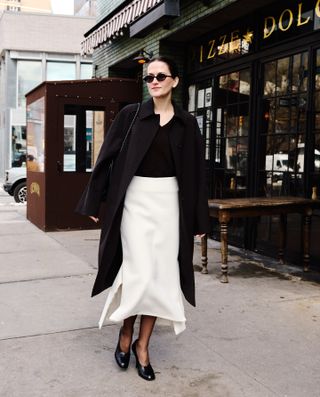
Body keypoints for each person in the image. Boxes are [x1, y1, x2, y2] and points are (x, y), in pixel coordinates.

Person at [76, 56, 210, 381]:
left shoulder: (187, 123)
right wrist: (95, 200)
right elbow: (106, 157)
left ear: (175, 81)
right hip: (135, 202)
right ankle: (125, 333)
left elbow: (195, 175)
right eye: (149, 77)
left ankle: (142, 345)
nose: (154, 81)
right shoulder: (130, 115)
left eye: (161, 76)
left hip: (169, 206)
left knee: (160, 277)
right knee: (138, 273)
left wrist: (198, 222)